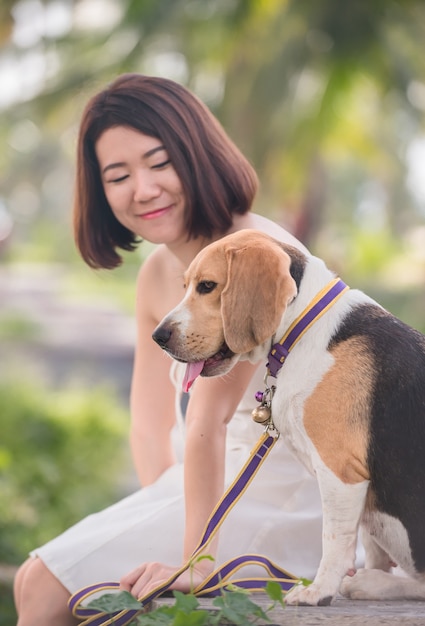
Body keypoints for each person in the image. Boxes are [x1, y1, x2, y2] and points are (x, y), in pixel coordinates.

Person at [13, 73, 323, 625]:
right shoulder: (159, 274)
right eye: (118, 175)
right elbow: (150, 427)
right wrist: (153, 516)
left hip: (293, 493)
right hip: (224, 482)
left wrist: (194, 557)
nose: (143, 189)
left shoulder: (249, 254)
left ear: (199, 155)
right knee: (37, 582)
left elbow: (209, 423)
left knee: (43, 586)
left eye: (160, 163)